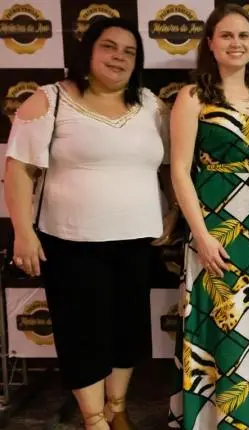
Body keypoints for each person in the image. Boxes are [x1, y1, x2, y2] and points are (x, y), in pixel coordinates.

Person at [3, 17, 176, 430]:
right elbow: (19, 169)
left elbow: (171, 165)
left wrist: (172, 212)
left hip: (137, 240)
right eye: (109, 47)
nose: (119, 57)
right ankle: (94, 418)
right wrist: (23, 232)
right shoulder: (50, 100)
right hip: (71, 242)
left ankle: (117, 408)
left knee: (128, 331)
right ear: (88, 52)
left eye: (129, 52)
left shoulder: (152, 106)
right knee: (83, 334)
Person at [166, 4, 249, 430]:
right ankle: (211, 419)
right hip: (212, 223)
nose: (236, 43)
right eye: (227, 35)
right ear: (210, 44)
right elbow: (180, 171)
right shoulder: (192, 97)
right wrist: (200, 235)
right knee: (217, 315)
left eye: (244, 36)